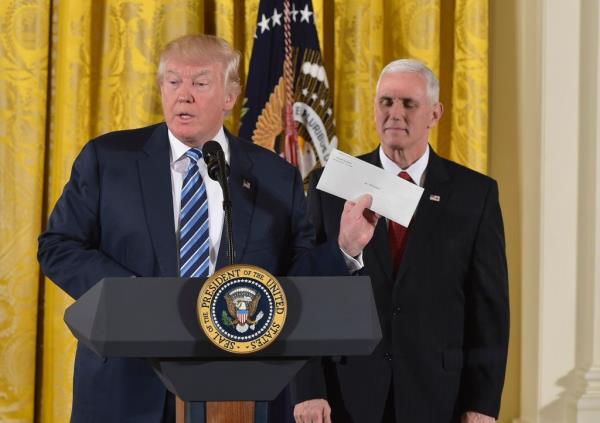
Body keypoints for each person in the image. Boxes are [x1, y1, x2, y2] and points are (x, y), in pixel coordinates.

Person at [37, 34, 377, 423]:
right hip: (125, 386)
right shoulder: (108, 159)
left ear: (230, 97)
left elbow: (294, 280)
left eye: (200, 83)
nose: (184, 95)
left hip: (241, 391)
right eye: (173, 81)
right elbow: (58, 245)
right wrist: (129, 296)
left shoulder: (275, 177)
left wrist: (345, 248)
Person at [296, 59, 509, 422]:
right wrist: (309, 389)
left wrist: (482, 403)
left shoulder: (476, 194)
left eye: (409, 104)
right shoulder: (330, 185)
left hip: (441, 395)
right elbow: (307, 292)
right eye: (386, 102)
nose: (395, 113)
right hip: (346, 393)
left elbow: (489, 310)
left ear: (435, 113)